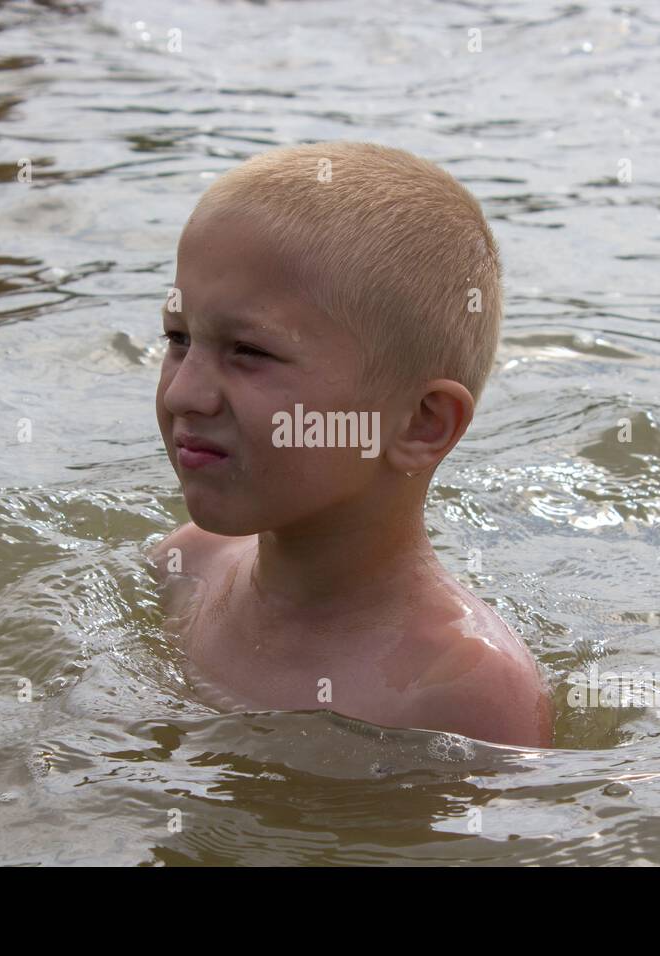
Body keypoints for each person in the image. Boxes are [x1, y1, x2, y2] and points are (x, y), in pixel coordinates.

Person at [147, 141, 554, 748]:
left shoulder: (464, 691)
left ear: (422, 424)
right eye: (179, 337)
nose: (184, 392)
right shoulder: (186, 569)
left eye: (250, 351)